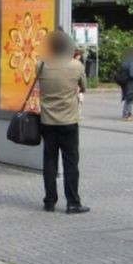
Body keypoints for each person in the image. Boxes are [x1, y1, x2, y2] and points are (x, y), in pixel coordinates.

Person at [37, 31, 88, 214]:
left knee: (49, 161)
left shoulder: (41, 65)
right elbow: (84, 87)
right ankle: (73, 202)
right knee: (71, 162)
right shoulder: (76, 65)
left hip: (47, 121)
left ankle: (49, 201)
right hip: (69, 121)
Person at [117, 48, 133, 121]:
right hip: (131, 83)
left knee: (128, 98)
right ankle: (126, 114)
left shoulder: (125, 61)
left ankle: (126, 113)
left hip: (125, 82)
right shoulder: (132, 62)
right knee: (129, 99)